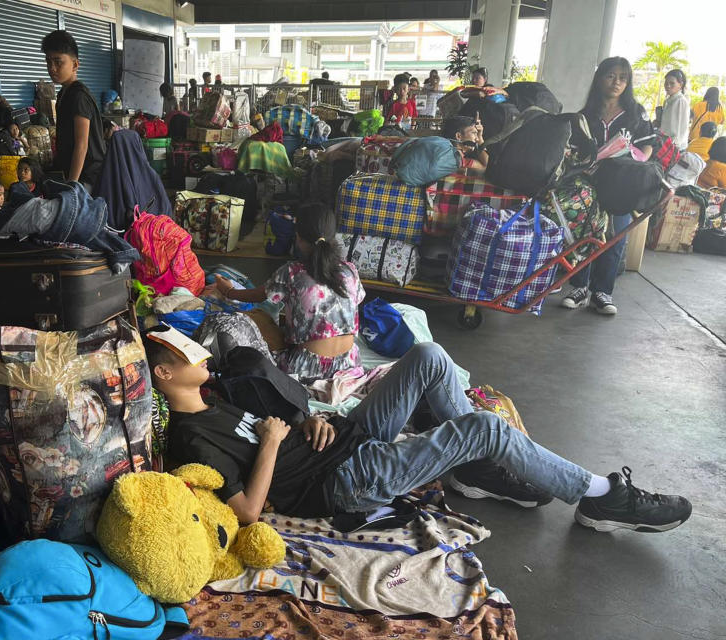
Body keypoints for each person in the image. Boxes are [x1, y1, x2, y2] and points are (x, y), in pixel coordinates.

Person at [147, 329, 691, 532]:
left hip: (342, 437)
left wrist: (303, 420)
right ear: (164, 374)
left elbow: (280, 418)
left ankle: (473, 466)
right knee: (485, 426)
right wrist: (270, 444)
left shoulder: (214, 395)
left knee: (428, 356)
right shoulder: (191, 439)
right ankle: (599, 496)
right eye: (182, 351)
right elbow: (246, 511)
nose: (198, 351)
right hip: (345, 480)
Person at [213, 204, 364, 381]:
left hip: (306, 369)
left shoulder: (292, 272)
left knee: (252, 320)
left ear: (298, 238)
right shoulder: (350, 271)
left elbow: (258, 296)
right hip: (350, 364)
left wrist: (229, 291)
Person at [562, 57, 654, 316]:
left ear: (628, 83)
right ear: (600, 78)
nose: (616, 82)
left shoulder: (636, 113)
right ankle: (579, 287)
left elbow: (648, 145)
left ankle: (603, 292)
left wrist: (637, 160)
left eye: (622, 78)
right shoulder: (586, 114)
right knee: (583, 234)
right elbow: (574, 148)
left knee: (615, 236)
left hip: (622, 185)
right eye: (610, 76)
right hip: (588, 185)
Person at [41, 30, 106, 188]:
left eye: (58, 62)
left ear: (75, 64)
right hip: (73, 172)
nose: (52, 68)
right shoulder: (64, 93)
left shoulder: (79, 96)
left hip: (88, 176)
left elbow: (82, 145)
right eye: (48, 62)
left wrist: (73, 185)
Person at [660, 69, 689, 150]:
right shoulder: (669, 100)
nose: (668, 86)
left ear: (680, 85)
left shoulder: (680, 101)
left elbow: (679, 130)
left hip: (674, 148)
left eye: (672, 83)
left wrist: (673, 148)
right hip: (666, 145)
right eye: (666, 83)